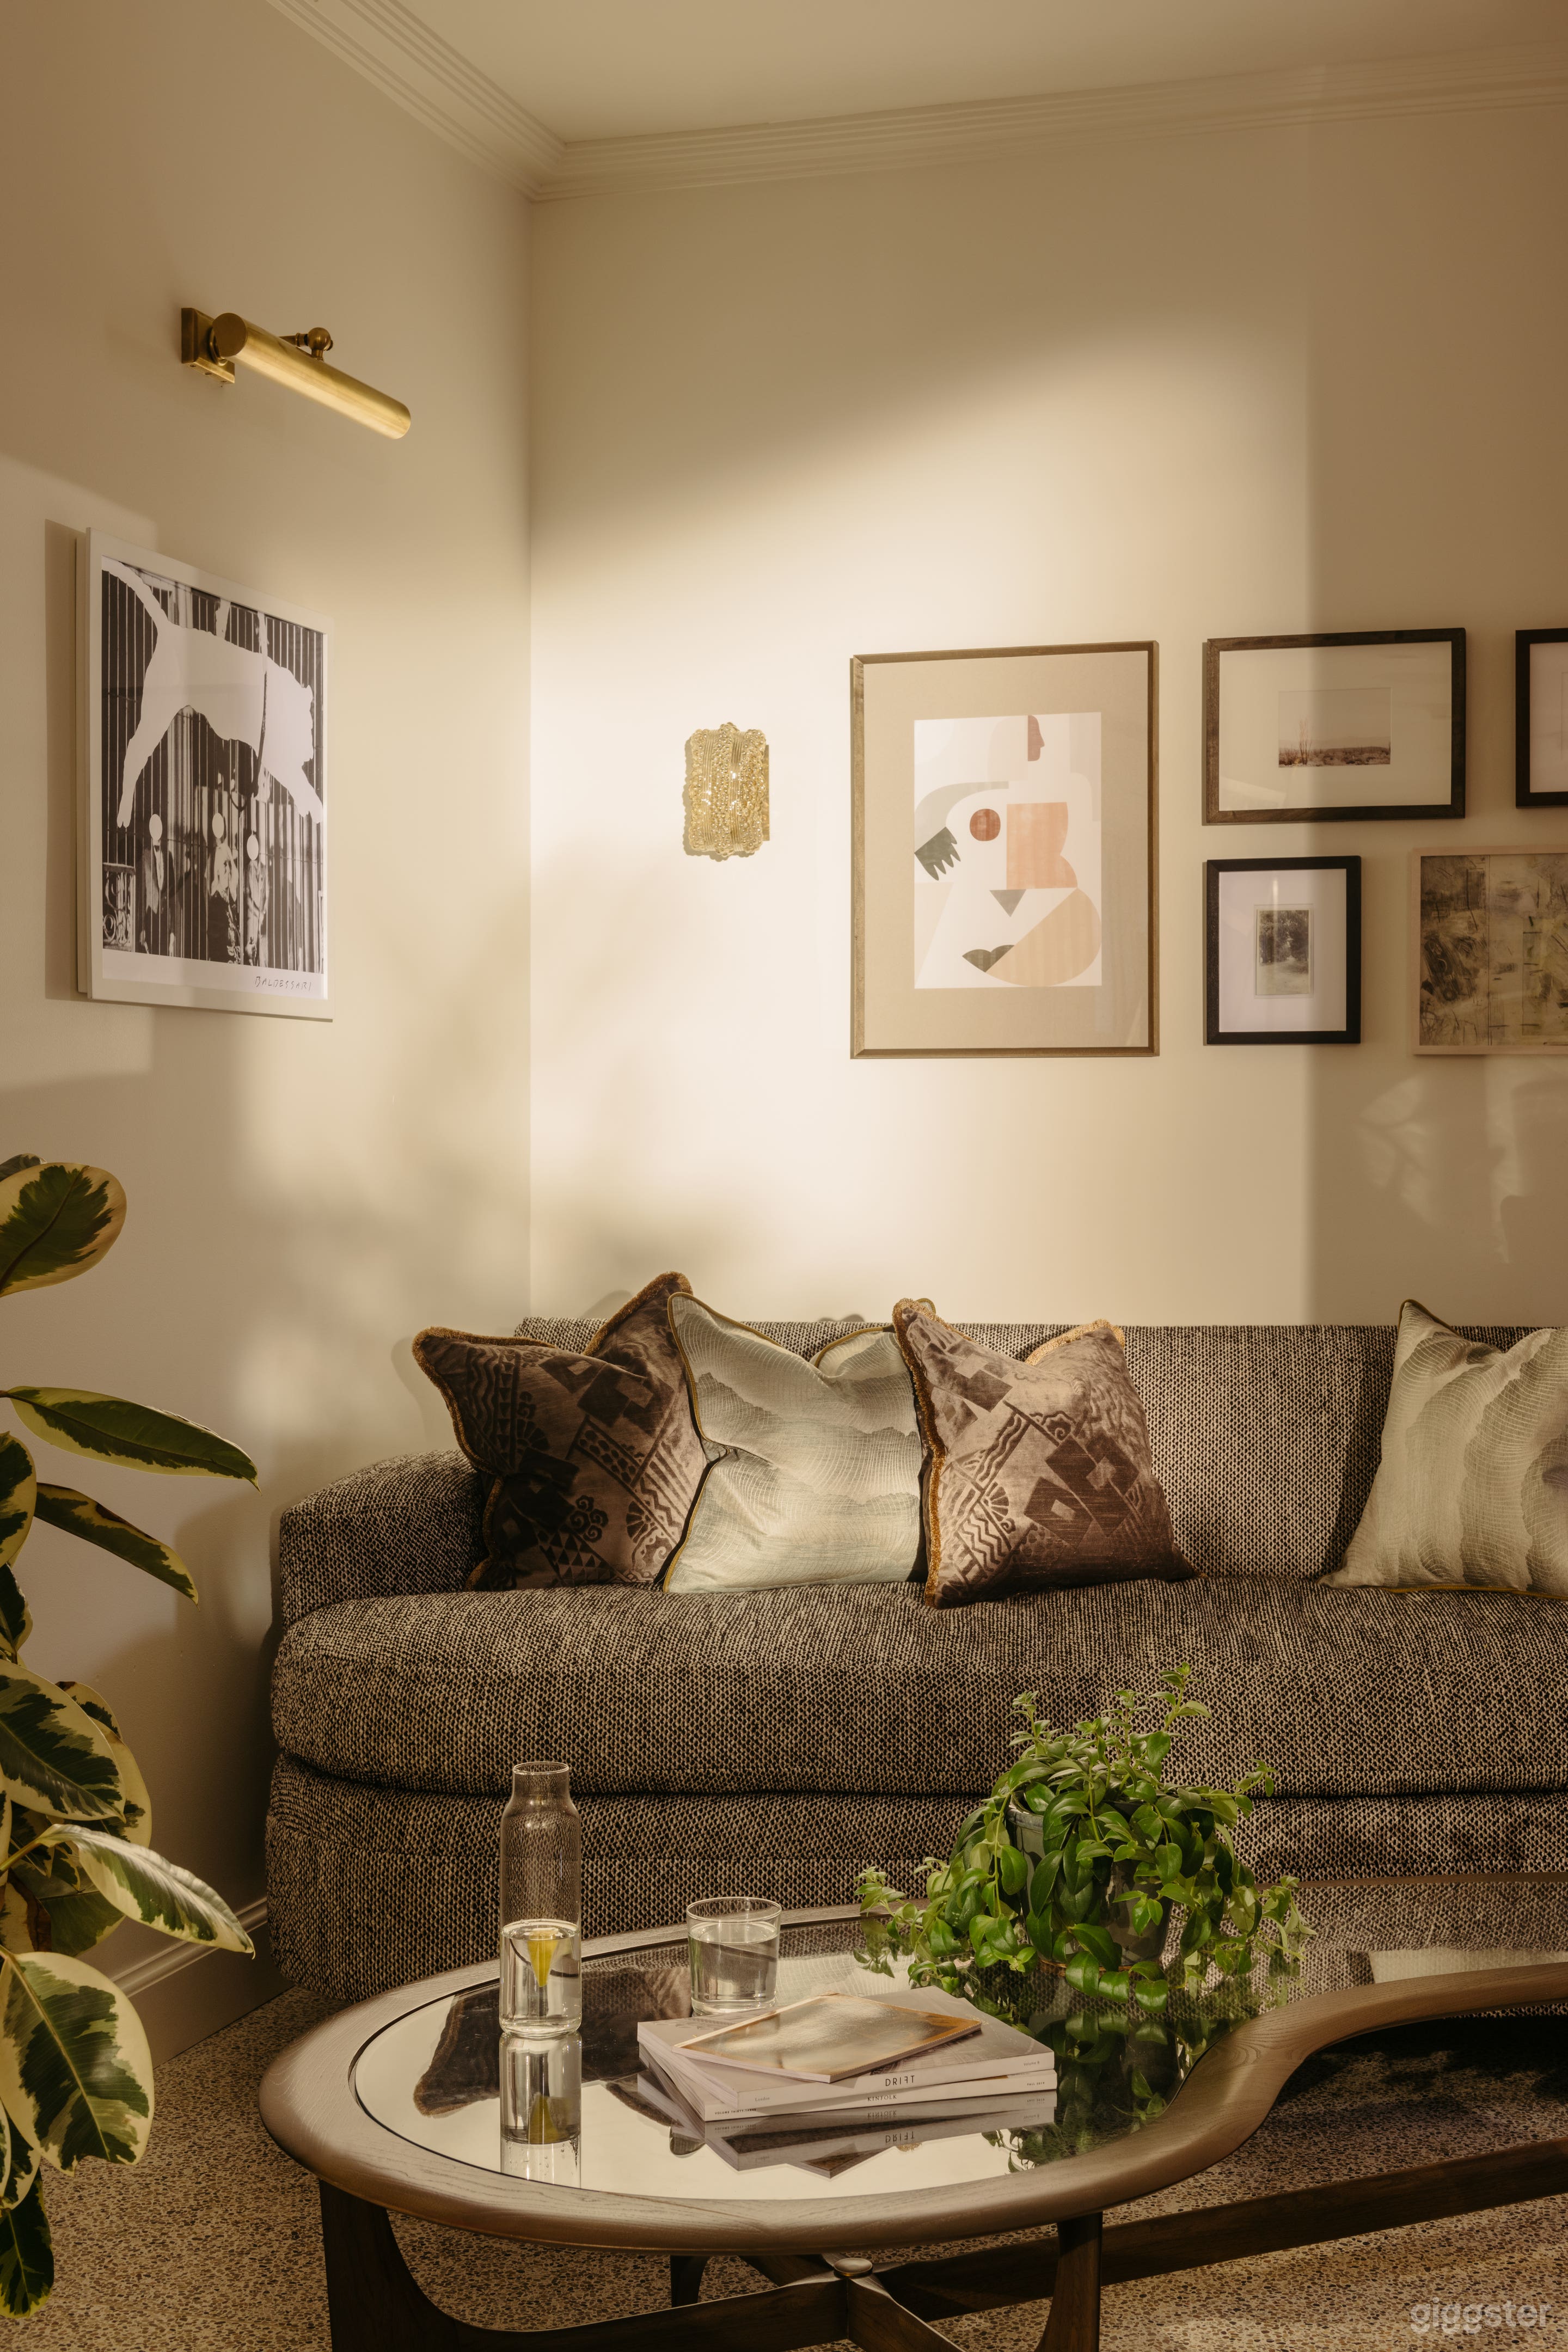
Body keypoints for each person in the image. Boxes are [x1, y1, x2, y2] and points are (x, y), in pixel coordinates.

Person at [206, 807, 240, 963]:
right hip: (219, 907)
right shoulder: (215, 854)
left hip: (221, 905)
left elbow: (234, 874)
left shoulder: (221, 851)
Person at [137, 812, 169, 956]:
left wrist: (173, 930)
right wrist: (142, 927)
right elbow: (142, 894)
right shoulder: (145, 857)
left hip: (164, 917)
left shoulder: (169, 858)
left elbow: (172, 894)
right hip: (150, 915)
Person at [243, 831, 268, 965]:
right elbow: (247, 899)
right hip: (253, 918)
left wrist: (264, 912)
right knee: (251, 955)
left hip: (263, 919)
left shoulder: (264, 869)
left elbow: (268, 894)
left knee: (263, 955)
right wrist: (259, 913)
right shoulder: (247, 870)